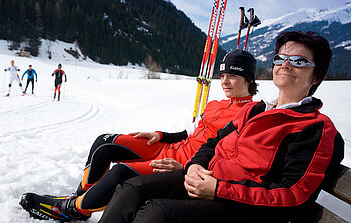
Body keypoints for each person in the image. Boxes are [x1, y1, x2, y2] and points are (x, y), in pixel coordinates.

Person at [98, 31, 345, 223]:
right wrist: (195, 165)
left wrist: (219, 190)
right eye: (280, 58)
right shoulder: (255, 109)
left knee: (157, 214)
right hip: (210, 185)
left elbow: (292, 195)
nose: (286, 65)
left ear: (316, 77)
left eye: (299, 61)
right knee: (132, 188)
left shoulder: (315, 127)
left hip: (248, 210)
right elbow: (213, 142)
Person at [19, 50, 258, 221]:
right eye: (223, 75)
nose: (225, 81)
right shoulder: (215, 103)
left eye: (233, 76)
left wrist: (185, 168)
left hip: (182, 163)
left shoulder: (250, 114)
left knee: (122, 171)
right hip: (170, 147)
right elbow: (190, 132)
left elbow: (229, 157)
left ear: (249, 79)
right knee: (105, 143)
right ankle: (82, 197)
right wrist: (161, 134)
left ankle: (73, 209)